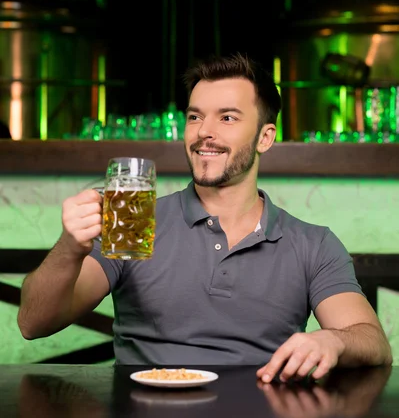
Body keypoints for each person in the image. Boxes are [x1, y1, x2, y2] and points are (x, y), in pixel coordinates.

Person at [18, 53, 392, 382]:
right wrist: (70, 247)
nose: (204, 133)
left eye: (227, 118)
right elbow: (33, 324)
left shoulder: (313, 243)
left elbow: (374, 343)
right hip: (143, 414)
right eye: (195, 117)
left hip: (264, 415)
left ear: (265, 137)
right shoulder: (133, 221)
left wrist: (334, 339)